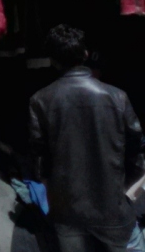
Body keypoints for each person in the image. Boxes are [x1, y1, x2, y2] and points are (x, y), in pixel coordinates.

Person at [29, 24, 144, 252]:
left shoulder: (40, 100)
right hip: (114, 210)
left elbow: (40, 161)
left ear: (53, 61)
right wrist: (128, 193)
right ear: (85, 54)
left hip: (67, 212)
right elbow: (138, 151)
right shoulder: (117, 97)